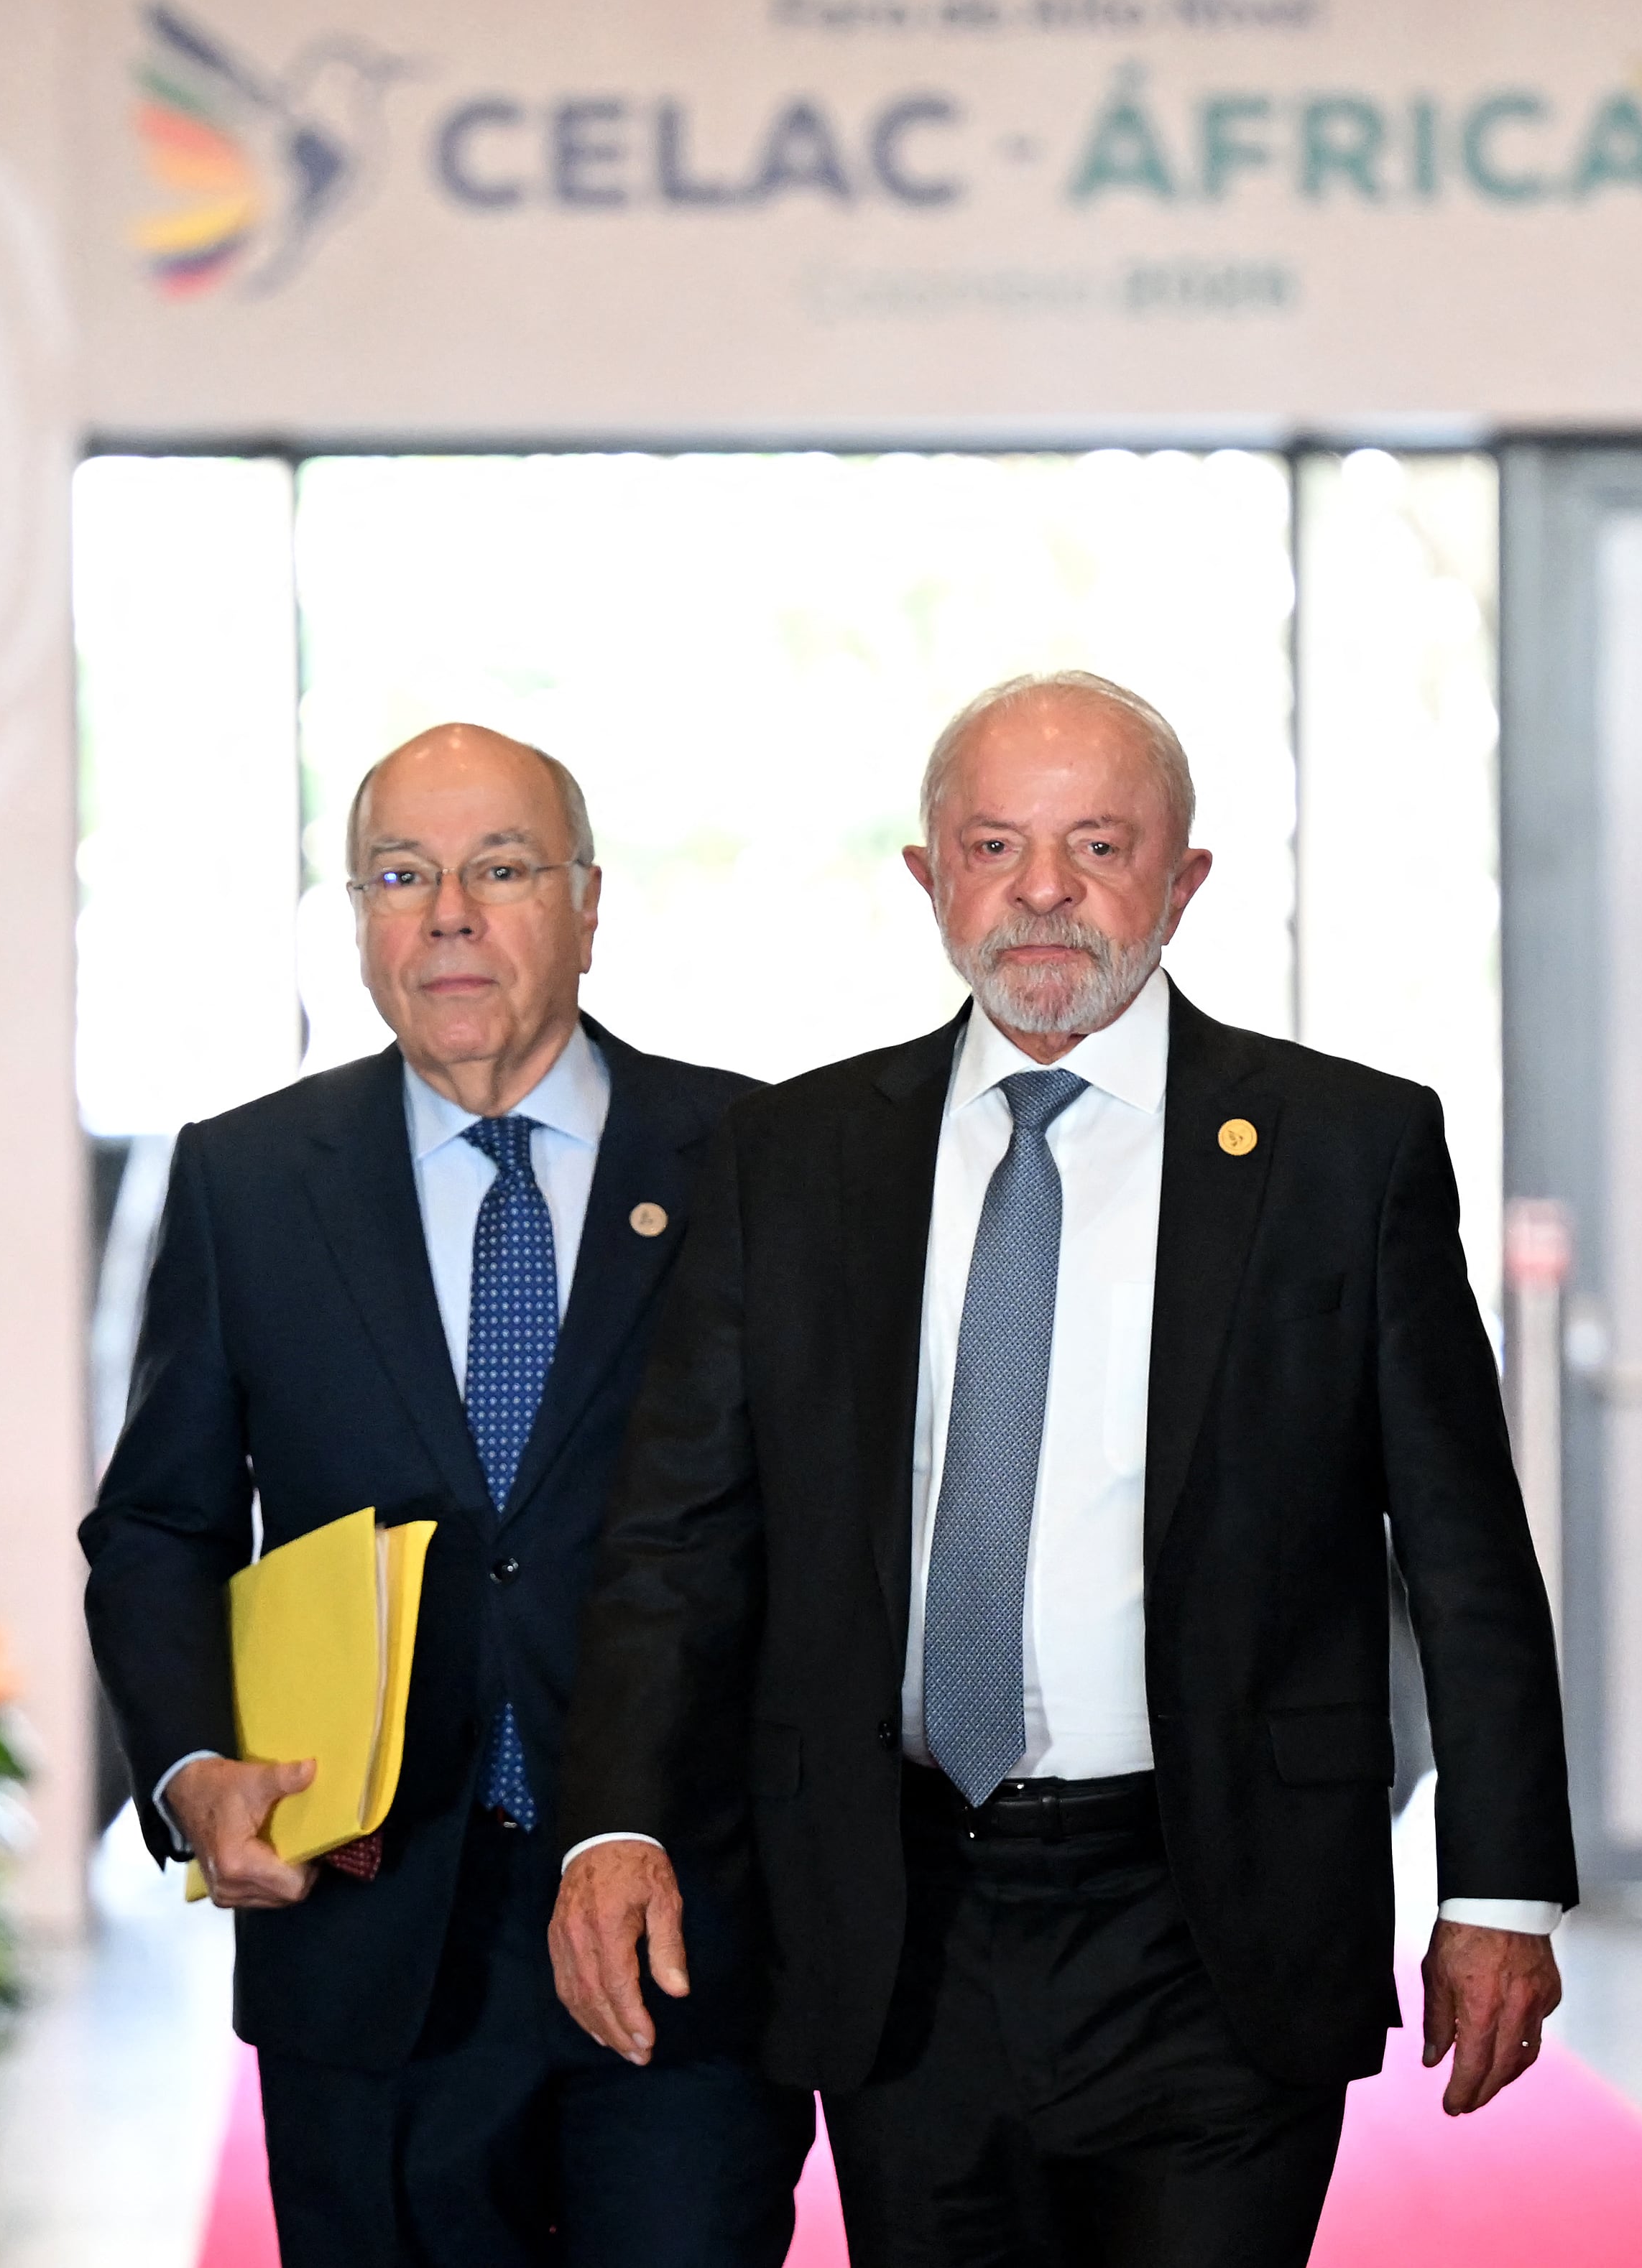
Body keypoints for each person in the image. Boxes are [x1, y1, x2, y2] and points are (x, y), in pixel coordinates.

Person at [545, 672, 1579, 2268]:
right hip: (899, 1913)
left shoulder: (1343, 1150)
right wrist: (614, 1819)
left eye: (1098, 844)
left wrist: (1499, 1887)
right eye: (993, 845)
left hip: (1216, 1906)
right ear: (928, 877)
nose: (1042, 891)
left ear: (1184, 878)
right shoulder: (796, 1158)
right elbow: (674, 1532)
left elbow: (1463, 1545)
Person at [81, 725, 810, 2267]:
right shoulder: (247, 1181)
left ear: (589, 904)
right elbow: (158, 1524)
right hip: (368, 1939)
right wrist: (194, 1766)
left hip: (683, 1922)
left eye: (502, 869)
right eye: (402, 876)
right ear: (358, 919)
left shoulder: (759, 1159)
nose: (450, 917)